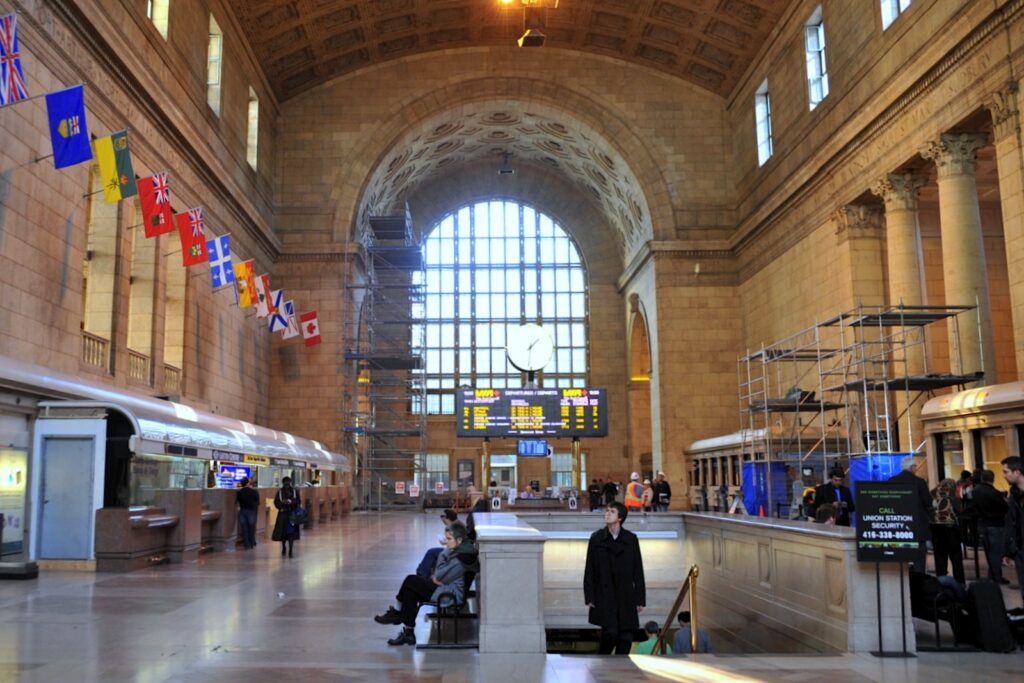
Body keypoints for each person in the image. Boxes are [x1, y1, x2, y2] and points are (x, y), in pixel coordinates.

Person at [374, 521, 479, 646]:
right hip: (445, 588)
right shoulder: (462, 550)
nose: (446, 542)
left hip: (449, 595)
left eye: (449, 539)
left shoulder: (461, 558)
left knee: (410, 580)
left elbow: (439, 577)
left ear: (459, 539)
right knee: (410, 590)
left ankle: (397, 613)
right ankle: (408, 633)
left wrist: (443, 560)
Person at [584, 502, 646, 654]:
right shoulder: (597, 538)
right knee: (610, 633)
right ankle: (603, 665)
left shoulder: (631, 539)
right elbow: (589, 569)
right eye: (607, 511)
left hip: (625, 594)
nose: (607, 513)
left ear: (620, 517)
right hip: (605, 594)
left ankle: (621, 671)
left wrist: (640, 599)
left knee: (626, 636)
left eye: (612, 511)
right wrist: (589, 596)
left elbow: (638, 570)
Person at [888, 457, 933, 550]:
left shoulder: (892, 480)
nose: (916, 468)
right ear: (911, 467)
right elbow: (928, 502)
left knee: (902, 553)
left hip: (898, 522)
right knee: (919, 554)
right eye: (915, 466)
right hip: (917, 522)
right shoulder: (920, 482)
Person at [973, 469, 1009, 584]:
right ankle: (995, 576)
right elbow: (1004, 507)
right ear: (992, 479)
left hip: (982, 523)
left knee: (989, 551)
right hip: (995, 524)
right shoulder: (994, 493)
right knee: (996, 552)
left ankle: (992, 575)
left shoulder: (975, 490)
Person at [930, 478, 965, 584]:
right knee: (956, 556)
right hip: (951, 528)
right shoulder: (952, 494)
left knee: (940, 556)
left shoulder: (932, 493)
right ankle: (959, 582)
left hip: (936, 528)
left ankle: (941, 580)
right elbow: (959, 509)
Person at [1001, 455, 1024, 602]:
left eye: (1005, 472)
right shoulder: (1014, 496)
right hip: (1020, 550)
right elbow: (1011, 524)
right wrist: (1009, 551)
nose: (1003, 476)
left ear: (1017, 472)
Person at [416, 509, 458, 578]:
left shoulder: (453, 527)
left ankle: (422, 574)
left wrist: (445, 542)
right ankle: (422, 571)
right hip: (452, 550)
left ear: (447, 517)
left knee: (431, 552)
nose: (441, 519)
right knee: (432, 552)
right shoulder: (453, 525)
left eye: (442, 516)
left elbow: (455, 543)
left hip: (453, 552)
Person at [271, 476, 301, 557]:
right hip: (292, 515)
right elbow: (298, 502)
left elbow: (276, 502)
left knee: (284, 532)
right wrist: (291, 503)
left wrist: (283, 504)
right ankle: (289, 550)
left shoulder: (280, 492)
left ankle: (285, 548)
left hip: (283, 514)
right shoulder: (295, 491)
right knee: (290, 532)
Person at [235, 476, 260, 550]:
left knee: (244, 528)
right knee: (251, 528)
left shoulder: (239, 492)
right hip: (251, 511)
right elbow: (257, 502)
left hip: (243, 511)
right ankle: (252, 542)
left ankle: (247, 544)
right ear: (248, 483)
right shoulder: (254, 492)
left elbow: (237, 502)